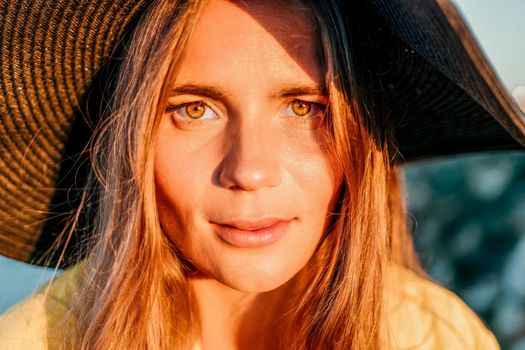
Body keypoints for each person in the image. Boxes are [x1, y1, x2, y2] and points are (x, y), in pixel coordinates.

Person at [0, 0, 523, 348]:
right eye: (194, 109)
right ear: (131, 138)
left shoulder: (433, 337)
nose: (249, 171)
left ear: (361, 136)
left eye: (303, 108)